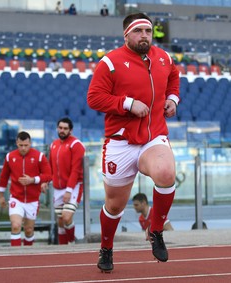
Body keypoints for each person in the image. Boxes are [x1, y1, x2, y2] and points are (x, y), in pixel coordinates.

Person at [87, 13, 180, 272]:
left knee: (166, 173)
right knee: (114, 205)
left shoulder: (163, 57)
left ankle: (156, 230)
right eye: (138, 31)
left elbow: (174, 75)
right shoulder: (111, 62)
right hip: (121, 142)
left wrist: (173, 98)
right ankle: (106, 247)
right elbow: (94, 98)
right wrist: (127, 104)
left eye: (148, 31)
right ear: (126, 35)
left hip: (153, 136)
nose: (144, 36)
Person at [0, 131, 52, 247]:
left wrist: (34, 180)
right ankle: (15, 255)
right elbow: (4, 176)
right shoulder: (10, 157)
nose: (23, 148)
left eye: (26, 145)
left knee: (28, 229)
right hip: (16, 198)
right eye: (21, 145)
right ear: (16, 143)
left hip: (33, 199)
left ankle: (28, 253)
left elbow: (48, 175)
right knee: (16, 225)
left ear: (30, 143)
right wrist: (1, 195)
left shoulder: (39, 156)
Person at [45, 117, 86, 245]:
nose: (62, 131)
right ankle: (63, 248)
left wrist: (69, 190)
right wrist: (45, 181)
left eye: (65, 128)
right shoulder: (53, 144)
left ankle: (72, 242)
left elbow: (76, 169)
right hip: (57, 188)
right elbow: (50, 167)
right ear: (57, 128)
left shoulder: (76, 145)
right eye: (60, 128)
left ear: (71, 130)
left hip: (73, 187)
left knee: (67, 217)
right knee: (61, 221)